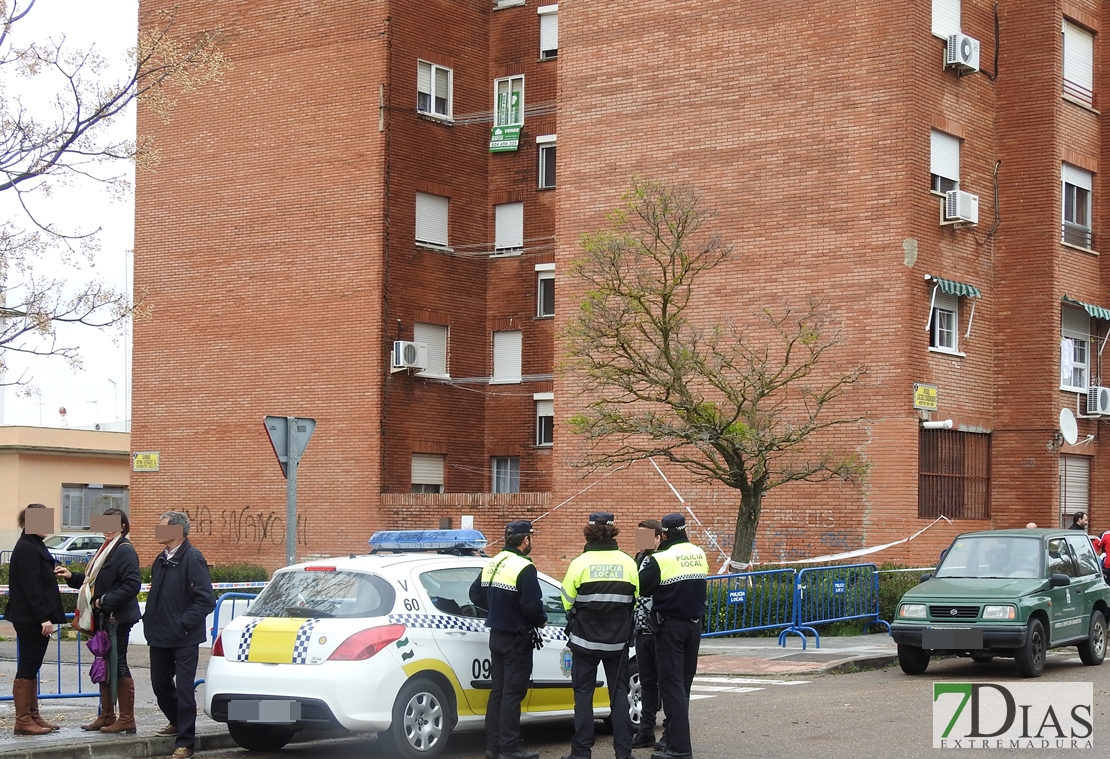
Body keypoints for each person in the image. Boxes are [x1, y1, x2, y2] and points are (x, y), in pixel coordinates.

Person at [560, 512, 639, 759]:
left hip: (584, 642)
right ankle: (623, 753)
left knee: (583, 696)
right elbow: (635, 603)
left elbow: (566, 602)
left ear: (589, 532)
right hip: (618, 643)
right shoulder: (628, 563)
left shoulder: (579, 564)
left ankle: (581, 753)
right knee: (619, 695)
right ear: (613, 531)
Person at [55, 507, 142, 733]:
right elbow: (95, 581)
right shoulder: (105, 550)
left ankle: (126, 718)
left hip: (117, 618)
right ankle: (106, 715)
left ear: (123, 526)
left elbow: (132, 585)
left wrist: (103, 601)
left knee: (118, 663)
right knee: (103, 663)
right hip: (102, 617)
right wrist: (72, 577)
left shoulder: (124, 550)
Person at [469, 520, 547, 759]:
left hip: (497, 636)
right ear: (525, 540)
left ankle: (493, 747)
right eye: (531, 537)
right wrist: (541, 620)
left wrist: (495, 609)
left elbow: (474, 594)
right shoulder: (524, 566)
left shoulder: (492, 562)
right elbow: (531, 605)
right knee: (513, 693)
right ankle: (510, 748)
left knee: (499, 692)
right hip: (517, 637)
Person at [144, 511, 216, 759]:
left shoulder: (193, 558)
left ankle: (185, 743)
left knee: (185, 690)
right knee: (160, 684)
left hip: (185, 637)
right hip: (159, 634)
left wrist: (183, 623)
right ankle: (176, 721)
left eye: (161, 526)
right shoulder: (161, 558)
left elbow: (206, 600)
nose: (157, 530)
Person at [638, 513, 708, 759]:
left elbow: (640, 587)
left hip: (670, 629)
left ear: (664, 535)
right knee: (684, 685)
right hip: (694, 627)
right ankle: (675, 741)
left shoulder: (661, 558)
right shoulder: (699, 553)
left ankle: (678, 748)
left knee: (671, 685)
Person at [4, 503, 66, 735]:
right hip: (31, 618)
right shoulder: (27, 547)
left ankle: (33, 715)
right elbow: (31, 587)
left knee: (33, 665)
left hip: (33, 617)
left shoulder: (34, 544)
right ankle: (23, 720)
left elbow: (37, 577)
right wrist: (43, 617)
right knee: (28, 666)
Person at [631, 519, 664, 750]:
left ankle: (670, 731)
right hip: (641, 630)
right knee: (648, 682)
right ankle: (646, 731)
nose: (640, 541)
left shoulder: (662, 560)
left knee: (666, 682)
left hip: (660, 629)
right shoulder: (639, 557)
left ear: (658, 538)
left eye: (645, 537)